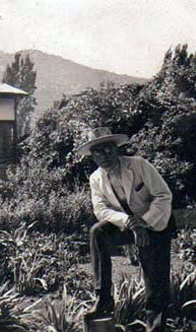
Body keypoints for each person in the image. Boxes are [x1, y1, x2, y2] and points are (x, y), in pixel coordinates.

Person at [77, 127, 174, 332]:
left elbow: (163, 196)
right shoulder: (96, 178)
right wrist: (129, 222)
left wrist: (144, 223)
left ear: (117, 149)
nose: (104, 156)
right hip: (127, 224)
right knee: (98, 232)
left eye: (108, 149)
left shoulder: (139, 165)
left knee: (154, 276)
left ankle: (155, 327)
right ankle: (103, 299)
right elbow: (101, 210)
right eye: (98, 152)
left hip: (156, 223)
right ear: (92, 156)